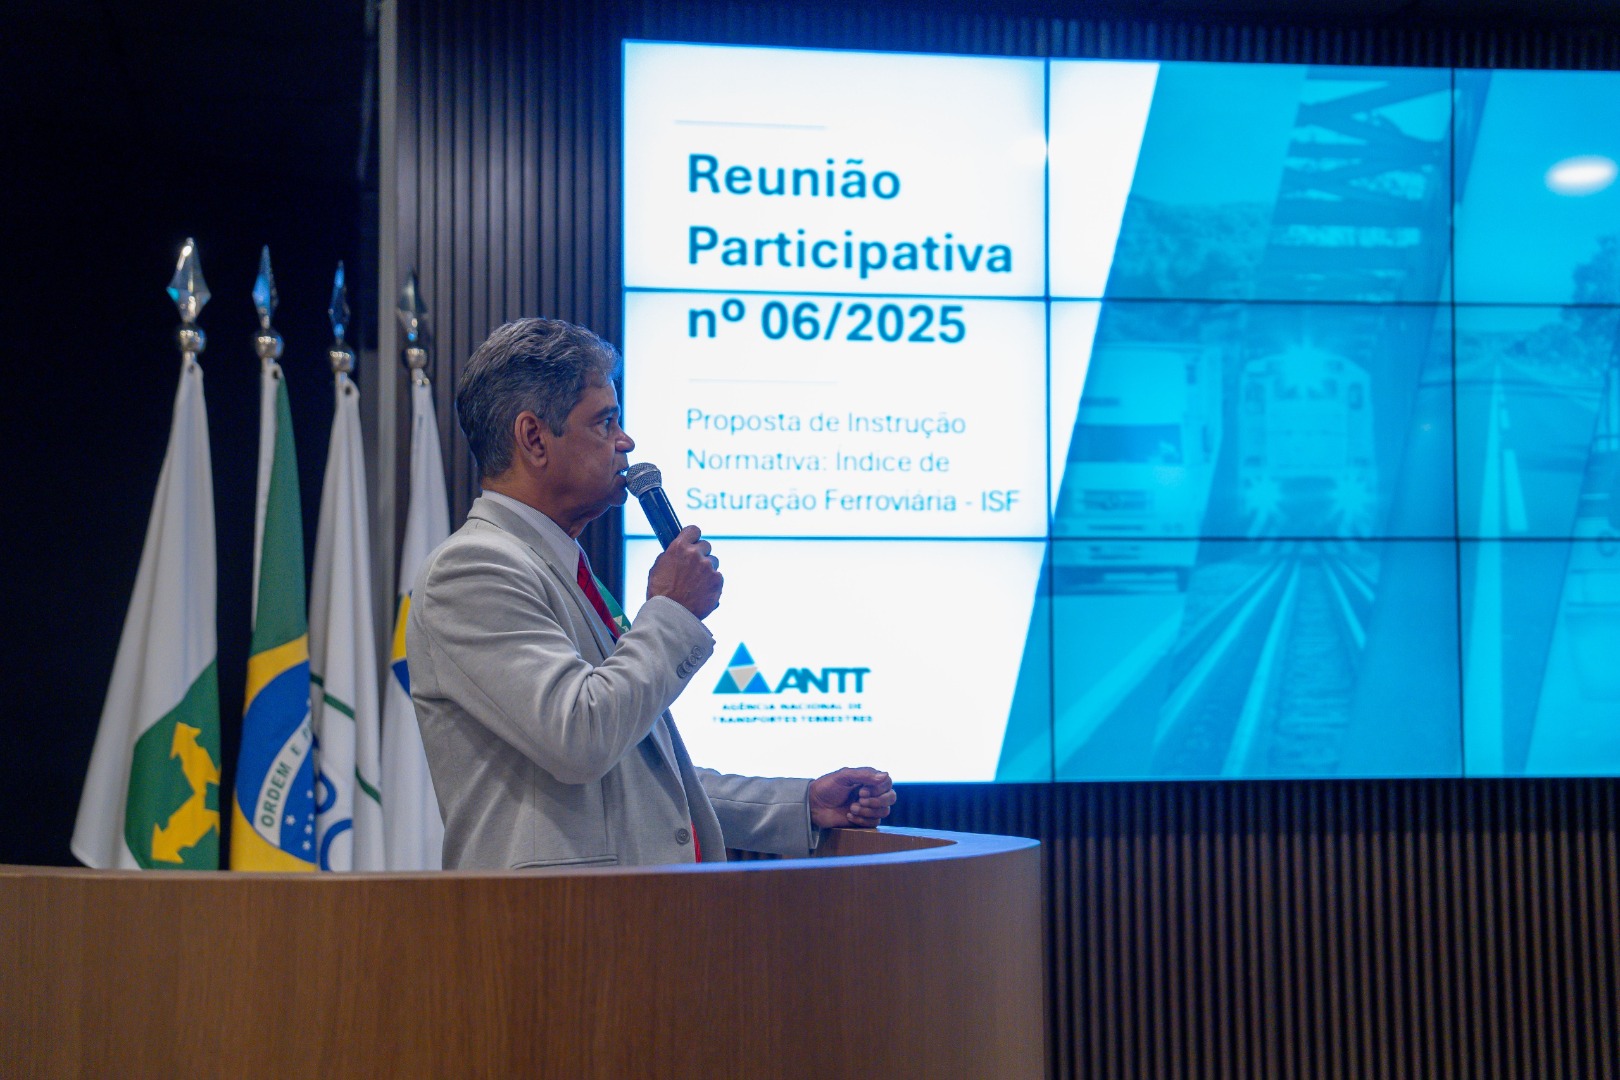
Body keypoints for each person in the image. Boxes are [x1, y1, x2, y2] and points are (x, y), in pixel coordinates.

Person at [406, 318, 896, 869]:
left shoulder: (561, 569)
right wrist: (670, 610)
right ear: (534, 439)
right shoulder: (473, 569)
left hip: (637, 912)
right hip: (553, 919)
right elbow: (581, 737)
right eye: (605, 421)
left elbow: (639, 781)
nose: (626, 441)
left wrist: (800, 805)